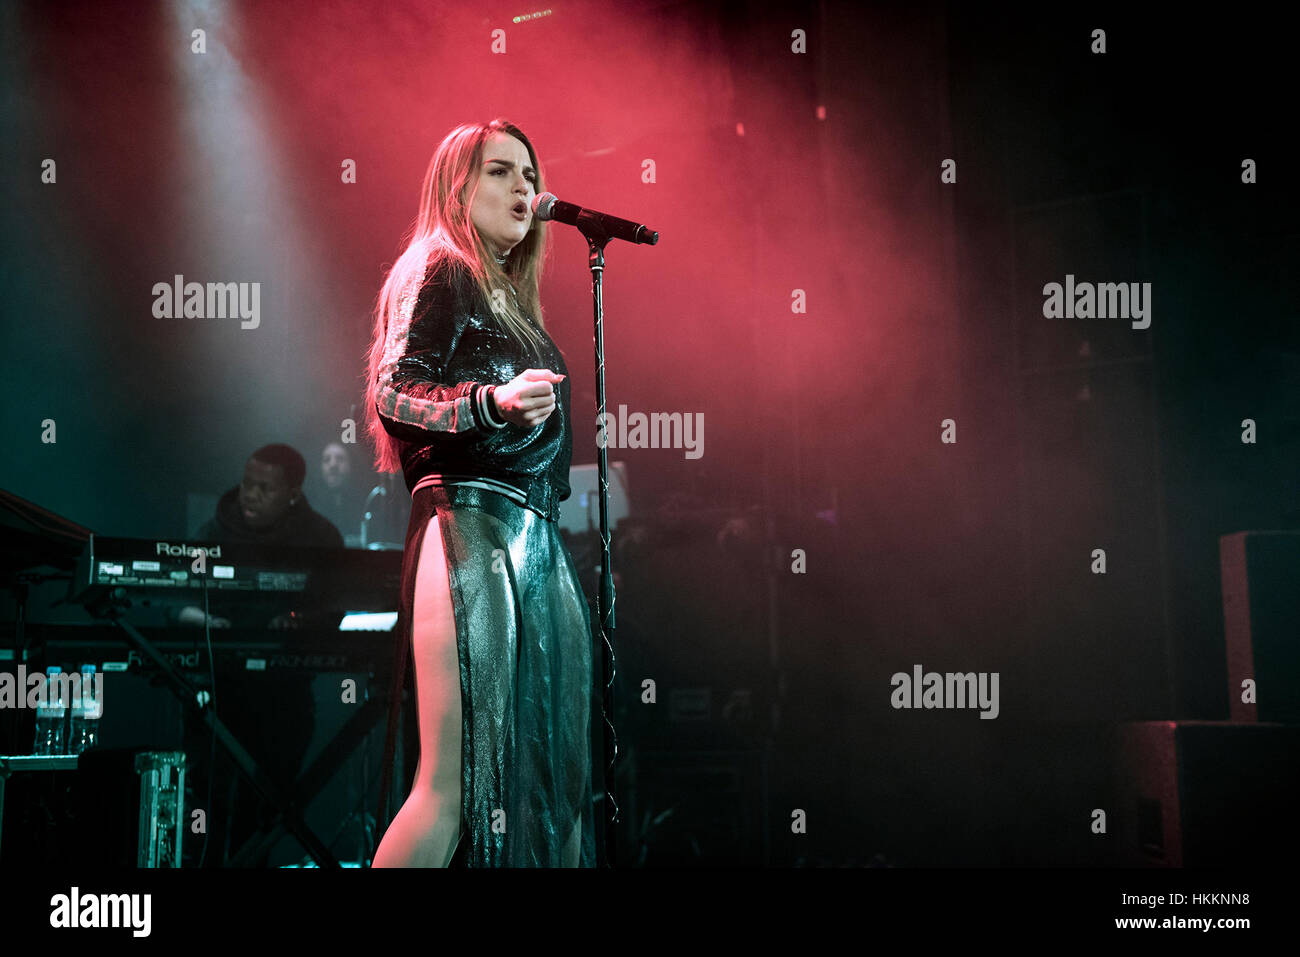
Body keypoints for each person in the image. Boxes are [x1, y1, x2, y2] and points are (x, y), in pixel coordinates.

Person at [366, 118, 597, 867]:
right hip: (468, 516)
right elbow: (393, 393)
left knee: (561, 782)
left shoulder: (514, 301)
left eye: (530, 175)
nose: (524, 189)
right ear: (456, 186)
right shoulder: (438, 267)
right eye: (500, 172)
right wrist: (489, 405)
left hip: (538, 533)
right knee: (455, 783)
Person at [180, 443, 344, 866]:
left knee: (269, 808)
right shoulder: (213, 531)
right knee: (207, 804)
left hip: (284, 697)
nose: (248, 496)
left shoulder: (321, 537)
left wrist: (300, 621)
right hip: (219, 688)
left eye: (264, 489)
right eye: (246, 484)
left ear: (293, 493)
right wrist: (198, 618)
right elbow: (177, 596)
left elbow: (336, 607)